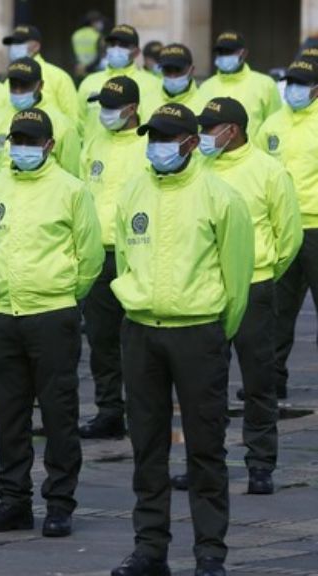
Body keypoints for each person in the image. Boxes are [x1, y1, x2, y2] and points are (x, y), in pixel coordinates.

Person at [110, 103, 253, 576]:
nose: (156, 147)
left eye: (166, 139)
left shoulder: (221, 197)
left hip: (197, 333)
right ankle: (150, 548)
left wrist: (215, 331)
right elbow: (124, 263)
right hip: (142, 331)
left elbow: (237, 279)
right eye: (152, 138)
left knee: (205, 448)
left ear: (191, 143)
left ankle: (210, 551)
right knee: (147, 445)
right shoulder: (133, 190)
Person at [0, 107, 103, 538]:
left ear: (50, 145)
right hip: (4, 314)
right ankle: (12, 500)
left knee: (58, 414)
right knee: (8, 415)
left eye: (32, 140)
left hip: (52, 315)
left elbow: (90, 256)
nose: (24, 147)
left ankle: (59, 502)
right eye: (18, 140)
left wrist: (66, 293)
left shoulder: (71, 190)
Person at [166, 97, 301, 497]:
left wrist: (260, 272)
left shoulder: (268, 171)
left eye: (209, 129)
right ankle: (204, 464)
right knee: (203, 384)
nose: (203, 137)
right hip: (206, 289)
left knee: (259, 381)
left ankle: (260, 463)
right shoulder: (198, 168)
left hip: (254, 287)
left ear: (233, 130)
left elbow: (288, 235)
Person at [78, 76, 147, 440]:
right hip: (99, 255)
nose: (104, 114)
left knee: (138, 340)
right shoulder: (94, 141)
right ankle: (109, 409)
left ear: (132, 109)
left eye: (111, 107)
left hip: (138, 255)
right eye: (101, 106)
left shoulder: (151, 143)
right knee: (102, 340)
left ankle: (143, 409)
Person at [257, 59, 318, 402]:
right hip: (282, 227)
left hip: (316, 227)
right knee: (277, 311)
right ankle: (272, 378)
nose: (294, 89)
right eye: (291, 82)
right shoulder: (272, 124)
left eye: (302, 83)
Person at [0, 58, 80, 176]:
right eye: (13, 85)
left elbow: (71, 174)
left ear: (40, 86)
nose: (18, 91)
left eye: (24, 85)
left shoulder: (62, 124)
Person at [77, 24, 160, 147]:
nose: (116, 48)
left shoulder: (153, 84)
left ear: (136, 52)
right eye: (112, 44)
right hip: (95, 158)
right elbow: (79, 125)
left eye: (124, 45)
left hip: (134, 158)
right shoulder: (89, 82)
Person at [199, 32, 282, 140]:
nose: (224, 56)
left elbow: (275, 126)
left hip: (253, 155)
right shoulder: (205, 87)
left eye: (229, 52)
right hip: (212, 155)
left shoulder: (265, 84)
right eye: (221, 52)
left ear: (244, 53)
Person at [2, 25, 78, 122]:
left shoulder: (59, 77)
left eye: (20, 43)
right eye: (13, 43)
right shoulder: (9, 80)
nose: (14, 47)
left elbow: (72, 120)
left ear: (36, 46)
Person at [150, 43, 206, 112]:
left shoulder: (205, 105)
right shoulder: (147, 101)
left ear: (191, 70)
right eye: (167, 70)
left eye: (178, 70)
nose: (172, 76)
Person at [72, 10, 105, 77]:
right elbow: (100, 56)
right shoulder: (97, 35)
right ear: (93, 22)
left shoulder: (76, 34)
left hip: (79, 70)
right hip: (94, 71)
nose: (101, 24)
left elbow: (72, 54)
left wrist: (79, 67)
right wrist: (87, 68)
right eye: (99, 22)